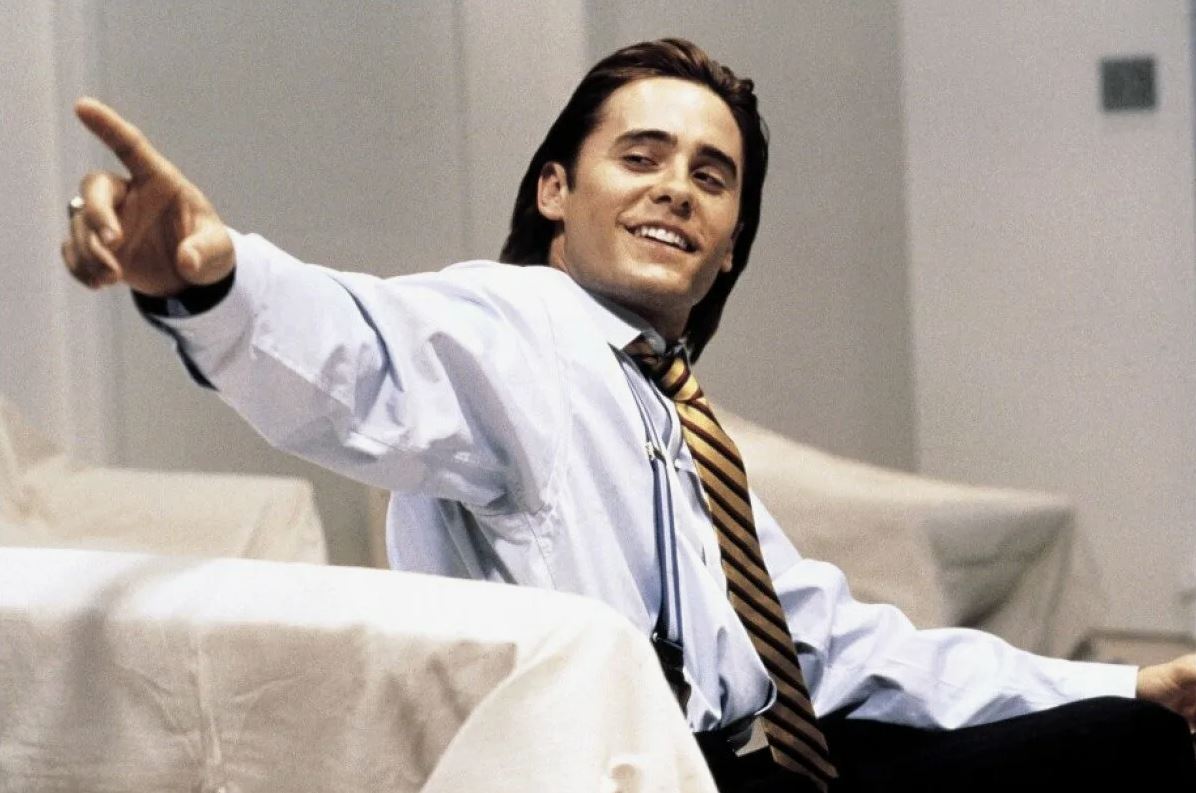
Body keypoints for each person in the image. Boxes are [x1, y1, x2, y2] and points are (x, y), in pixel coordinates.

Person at [60, 38, 1196, 792]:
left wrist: (1114, 681)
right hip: (629, 773)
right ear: (555, 190)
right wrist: (212, 285)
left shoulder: (666, 404)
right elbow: (362, 357)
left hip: (756, 757)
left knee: (1133, 730)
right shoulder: (513, 330)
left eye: (711, 175)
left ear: (731, 242)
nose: (675, 188)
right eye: (639, 156)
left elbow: (825, 643)